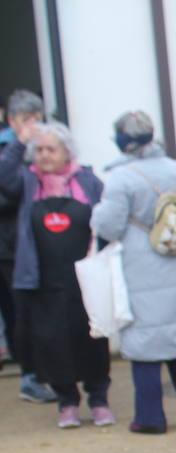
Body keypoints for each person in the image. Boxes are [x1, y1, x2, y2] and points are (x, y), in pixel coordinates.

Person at [91, 111, 176, 434]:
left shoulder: (121, 177)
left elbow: (109, 225)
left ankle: (150, 417)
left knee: (145, 342)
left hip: (141, 265)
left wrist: (95, 214)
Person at [0, 120, 111, 429]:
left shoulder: (87, 181)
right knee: (52, 342)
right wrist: (19, 143)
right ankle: (67, 402)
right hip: (43, 280)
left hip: (84, 279)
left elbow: (107, 220)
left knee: (91, 339)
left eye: (51, 149)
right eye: (40, 150)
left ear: (67, 152)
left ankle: (99, 400)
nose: (44, 155)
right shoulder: (26, 181)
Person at [0, 88, 58, 404]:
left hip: (33, 243)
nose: (32, 125)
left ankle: (40, 372)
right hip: (8, 246)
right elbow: (8, 190)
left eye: (36, 118)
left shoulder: (45, 147)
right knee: (18, 313)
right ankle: (30, 376)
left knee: (35, 311)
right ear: (11, 120)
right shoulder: (9, 149)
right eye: (26, 120)